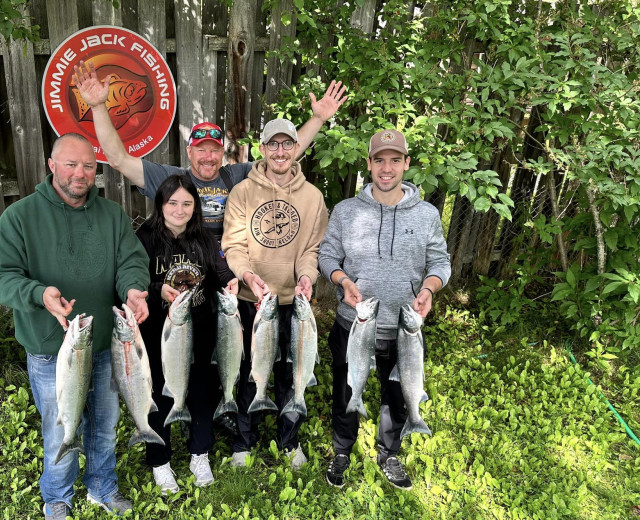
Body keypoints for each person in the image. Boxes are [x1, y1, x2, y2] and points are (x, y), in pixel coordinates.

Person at [0, 133, 151, 519]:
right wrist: (39, 294)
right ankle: (57, 495)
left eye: (89, 166)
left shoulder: (111, 216)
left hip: (108, 342)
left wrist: (133, 290)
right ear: (52, 165)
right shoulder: (20, 217)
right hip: (50, 346)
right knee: (61, 426)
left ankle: (102, 486)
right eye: (71, 164)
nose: (81, 173)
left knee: (105, 424)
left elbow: (131, 261)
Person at [72, 60, 347, 237]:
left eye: (214, 150)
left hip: (229, 268)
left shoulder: (237, 175)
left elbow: (282, 156)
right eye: (201, 150)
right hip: (184, 266)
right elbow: (118, 159)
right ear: (189, 152)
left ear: (222, 152)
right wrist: (98, 105)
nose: (208, 157)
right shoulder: (168, 179)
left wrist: (318, 118)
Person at [318, 129, 451, 490]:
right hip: (354, 324)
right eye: (380, 160)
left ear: (407, 164)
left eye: (395, 160)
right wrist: (342, 281)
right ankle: (342, 450)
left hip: (404, 329)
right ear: (369, 165)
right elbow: (327, 255)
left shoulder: (426, 214)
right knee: (347, 390)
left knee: (397, 394)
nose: (387, 168)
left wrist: (428, 288)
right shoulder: (346, 211)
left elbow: (440, 261)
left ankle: (389, 452)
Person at [220, 117, 329, 470]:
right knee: (249, 371)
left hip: (291, 303)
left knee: (291, 372)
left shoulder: (313, 197)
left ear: (296, 148)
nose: (280, 151)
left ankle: (288, 441)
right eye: (272, 144)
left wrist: (307, 276)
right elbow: (234, 245)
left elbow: (312, 250)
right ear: (262, 149)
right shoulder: (242, 193)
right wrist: (247, 275)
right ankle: (243, 442)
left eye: (287, 144)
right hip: (253, 301)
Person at [134, 174, 239, 495]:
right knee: (157, 397)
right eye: (172, 203)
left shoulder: (206, 239)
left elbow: (221, 271)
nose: (179, 210)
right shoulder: (144, 238)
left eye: (187, 203)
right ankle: (160, 461)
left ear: (195, 207)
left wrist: (232, 281)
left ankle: (199, 454)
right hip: (157, 333)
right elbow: (133, 279)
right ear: (160, 205)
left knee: (201, 392)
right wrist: (155, 289)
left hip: (202, 330)